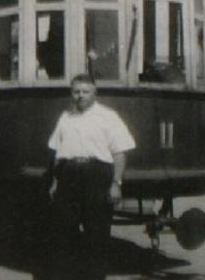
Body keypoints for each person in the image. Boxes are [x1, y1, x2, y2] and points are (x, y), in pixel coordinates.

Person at [46, 73, 135, 280]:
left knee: (97, 233)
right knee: (64, 230)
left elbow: (119, 153)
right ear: (71, 93)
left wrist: (116, 183)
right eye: (76, 92)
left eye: (85, 92)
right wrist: (55, 181)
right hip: (68, 174)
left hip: (97, 175)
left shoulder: (108, 116)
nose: (80, 96)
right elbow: (57, 153)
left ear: (95, 93)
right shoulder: (65, 117)